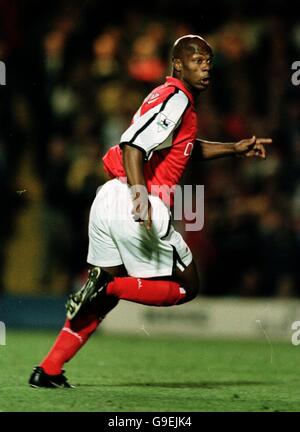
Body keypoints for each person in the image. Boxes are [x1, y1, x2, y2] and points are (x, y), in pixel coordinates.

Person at [29, 35, 272, 388]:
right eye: (197, 60)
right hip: (136, 200)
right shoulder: (177, 99)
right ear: (177, 64)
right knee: (188, 286)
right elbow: (132, 145)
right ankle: (107, 287)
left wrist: (233, 148)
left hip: (110, 197)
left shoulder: (167, 99)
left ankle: (48, 370)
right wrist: (141, 199)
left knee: (100, 302)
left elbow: (183, 148)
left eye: (209, 61)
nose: (205, 66)